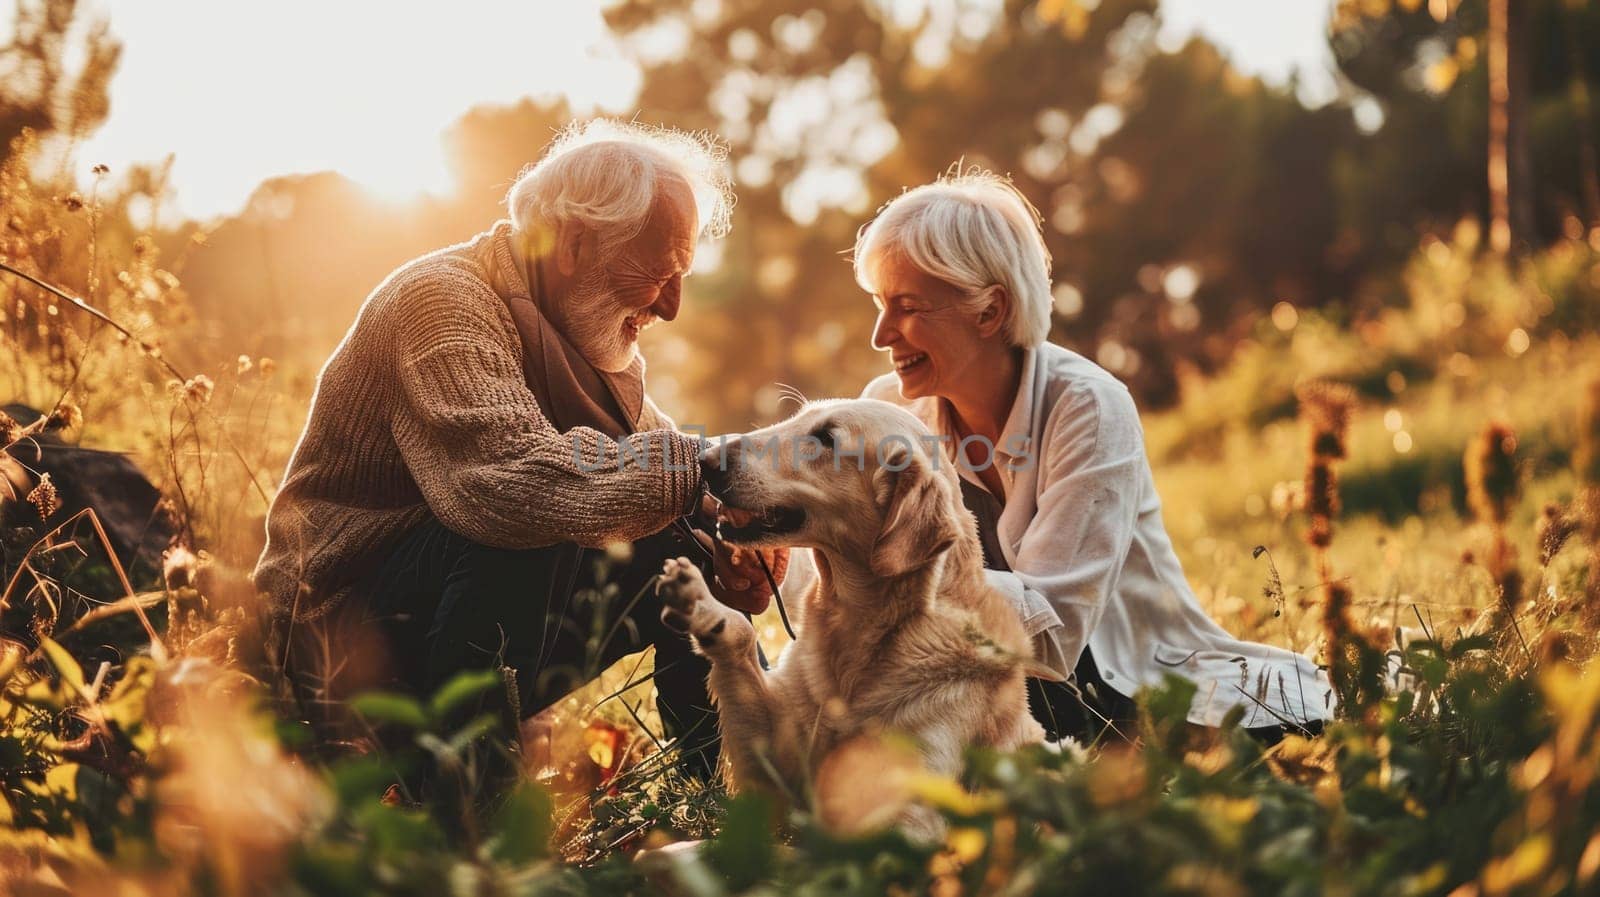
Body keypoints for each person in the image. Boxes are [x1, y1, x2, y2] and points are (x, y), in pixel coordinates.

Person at [252, 120, 784, 782]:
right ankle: (472, 806)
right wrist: (698, 472)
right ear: (573, 244)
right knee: (539, 512)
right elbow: (506, 483)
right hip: (330, 644)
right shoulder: (442, 302)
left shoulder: (578, 343)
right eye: (658, 270)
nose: (672, 306)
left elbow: (662, 469)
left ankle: (735, 784)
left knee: (684, 539)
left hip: (436, 630)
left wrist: (735, 537)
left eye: (683, 275)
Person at [846, 168, 1332, 743]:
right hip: (972, 685)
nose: (881, 334)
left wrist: (898, 562)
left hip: (1115, 688)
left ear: (988, 312)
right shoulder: (886, 412)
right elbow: (830, 596)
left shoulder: (1089, 408)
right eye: (879, 303)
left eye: (907, 306)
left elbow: (1053, 642)